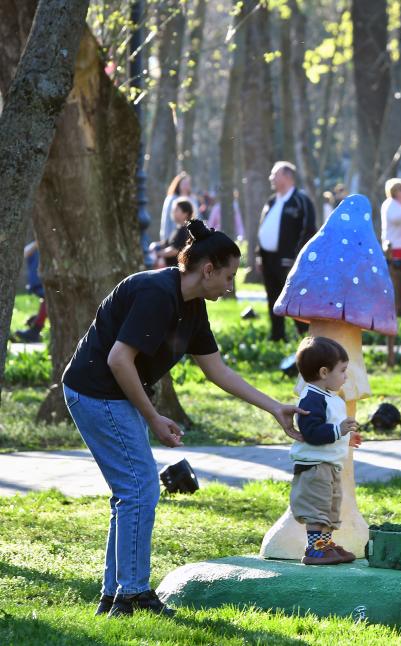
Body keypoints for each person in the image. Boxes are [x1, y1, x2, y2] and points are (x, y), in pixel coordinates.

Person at [61, 220, 306, 617]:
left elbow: (218, 370)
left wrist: (275, 407)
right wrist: (154, 417)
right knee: (139, 489)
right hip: (95, 392)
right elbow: (118, 360)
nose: (230, 286)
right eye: (228, 275)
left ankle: (116, 595)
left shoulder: (192, 307)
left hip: (115, 393)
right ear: (207, 269)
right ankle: (132, 595)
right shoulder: (155, 293)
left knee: (133, 491)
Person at [290, 336, 362, 565]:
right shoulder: (311, 399)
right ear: (324, 373)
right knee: (317, 508)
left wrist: (347, 437)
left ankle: (325, 543)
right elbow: (312, 432)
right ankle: (314, 548)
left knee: (330, 508)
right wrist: (339, 430)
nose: (345, 376)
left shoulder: (329, 397)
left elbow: (330, 429)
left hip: (328, 465)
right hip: (314, 467)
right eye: (342, 371)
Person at [256, 161, 316, 341]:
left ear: (287, 177)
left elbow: (308, 230)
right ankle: (277, 336)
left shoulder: (301, 201)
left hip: (290, 260)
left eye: (275, 174)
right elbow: (263, 228)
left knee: (294, 298)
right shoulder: (272, 201)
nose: (271, 178)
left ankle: (306, 337)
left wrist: (297, 256)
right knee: (273, 297)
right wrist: (259, 254)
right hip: (269, 260)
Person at [14, 241, 46, 343]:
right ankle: (36, 323)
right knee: (48, 299)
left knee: (48, 299)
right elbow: (25, 252)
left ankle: (36, 327)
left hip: (44, 285)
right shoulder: (38, 244)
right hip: (39, 284)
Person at [150, 199, 194, 268]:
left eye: (176, 210)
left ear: (185, 213)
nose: (173, 212)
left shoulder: (185, 230)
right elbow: (167, 243)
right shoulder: (178, 228)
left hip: (175, 270)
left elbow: (175, 250)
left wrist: (158, 254)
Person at [158, 172, 198, 241]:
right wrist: (165, 238)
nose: (186, 186)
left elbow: (197, 217)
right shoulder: (171, 199)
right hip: (173, 237)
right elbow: (166, 220)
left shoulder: (193, 199)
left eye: (187, 184)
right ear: (178, 184)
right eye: (184, 184)